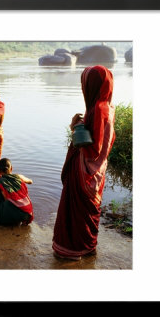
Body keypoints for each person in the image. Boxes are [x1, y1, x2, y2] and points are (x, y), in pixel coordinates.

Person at [52, 65, 116, 260]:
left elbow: (92, 148)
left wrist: (76, 126)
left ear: (92, 86)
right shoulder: (108, 107)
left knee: (76, 213)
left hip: (84, 171)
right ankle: (88, 246)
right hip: (97, 170)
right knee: (88, 211)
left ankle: (72, 249)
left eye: (85, 83)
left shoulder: (98, 109)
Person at [0, 158, 34, 226]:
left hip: (10, 215)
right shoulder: (18, 177)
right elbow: (30, 181)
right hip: (27, 213)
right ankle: (19, 218)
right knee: (16, 192)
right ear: (11, 168)